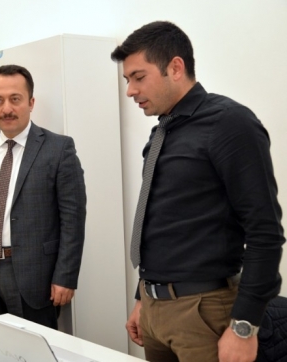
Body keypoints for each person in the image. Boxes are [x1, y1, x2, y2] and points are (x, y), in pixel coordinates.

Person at [111, 21, 284, 362]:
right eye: (127, 80)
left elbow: (265, 232)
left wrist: (244, 325)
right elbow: (159, 223)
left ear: (175, 68)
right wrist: (144, 297)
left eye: (138, 77)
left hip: (203, 311)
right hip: (155, 309)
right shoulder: (163, 131)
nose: (130, 90)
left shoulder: (229, 123)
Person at [0, 64, 87, 329]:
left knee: (33, 348)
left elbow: (72, 218)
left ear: (31, 102)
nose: (6, 109)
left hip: (34, 275)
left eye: (15, 99)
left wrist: (66, 276)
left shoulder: (58, 148)